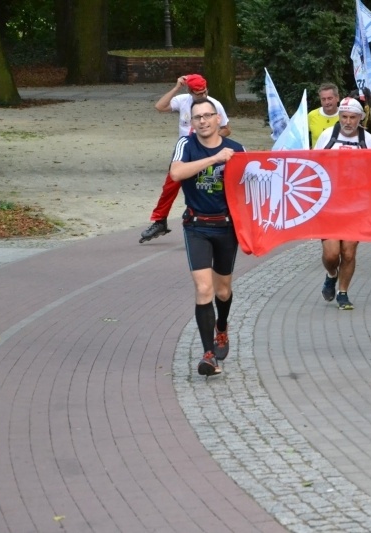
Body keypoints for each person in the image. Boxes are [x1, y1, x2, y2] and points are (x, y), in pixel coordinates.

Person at [168, 98, 244, 377]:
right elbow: (176, 173)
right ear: (191, 122)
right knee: (203, 289)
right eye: (197, 117)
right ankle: (208, 355)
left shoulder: (237, 149)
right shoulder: (186, 145)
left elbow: (251, 184)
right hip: (197, 226)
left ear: (217, 119)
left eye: (207, 116)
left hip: (226, 227)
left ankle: (221, 327)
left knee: (223, 291)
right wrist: (214, 159)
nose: (202, 121)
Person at [140, 74, 231, 243]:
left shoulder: (214, 105)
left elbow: (226, 129)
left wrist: (209, 136)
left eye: (204, 92)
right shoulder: (183, 100)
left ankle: (213, 222)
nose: (202, 95)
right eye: (198, 93)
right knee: (170, 186)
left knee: (206, 185)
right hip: (184, 151)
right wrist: (176, 87)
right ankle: (160, 221)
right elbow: (159, 107)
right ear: (190, 92)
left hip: (203, 151)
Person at [315, 97, 371, 310]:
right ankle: (331, 274)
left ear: (360, 118)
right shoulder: (327, 136)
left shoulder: (368, 140)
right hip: (330, 204)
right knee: (332, 254)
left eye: (352, 117)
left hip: (356, 205)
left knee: (349, 253)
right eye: (344, 117)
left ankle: (343, 292)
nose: (348, 122)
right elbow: (313, 165)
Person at [308, 82, 341, 148]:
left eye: (330, 98)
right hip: (317, 154)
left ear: (337, 98)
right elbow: (299, 137)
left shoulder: (345, 116)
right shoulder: (312, 115)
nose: (327, 102)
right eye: (323, 99)